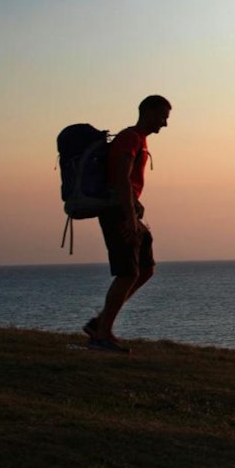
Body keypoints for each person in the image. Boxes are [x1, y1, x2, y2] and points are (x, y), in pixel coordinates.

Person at [84, 94, 171, 353]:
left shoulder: (139, 141)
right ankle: (101, 335)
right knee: (127, 272)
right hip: (118, 211)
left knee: (145, 268)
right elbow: (120, 177)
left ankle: (101, 323)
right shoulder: (130, 138)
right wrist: (130, 217)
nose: (165, 124)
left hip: (128, 209)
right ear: (149, 112)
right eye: (163, 117)